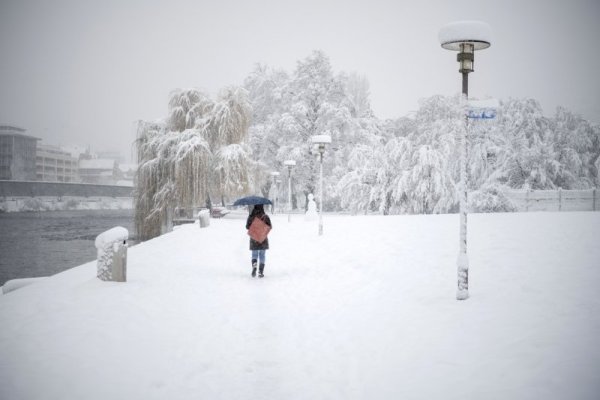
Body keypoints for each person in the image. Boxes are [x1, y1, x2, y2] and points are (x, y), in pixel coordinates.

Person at [246, 204, 272, 278]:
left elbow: (247, 226)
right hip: (263, 238)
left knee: (254, 254)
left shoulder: (251, 216)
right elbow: (270, 226)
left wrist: (254, 225)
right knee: (262, 255)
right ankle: (261, 271)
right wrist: (262, 226)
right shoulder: (265, 216)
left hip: (254, 238)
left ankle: (254, 266)